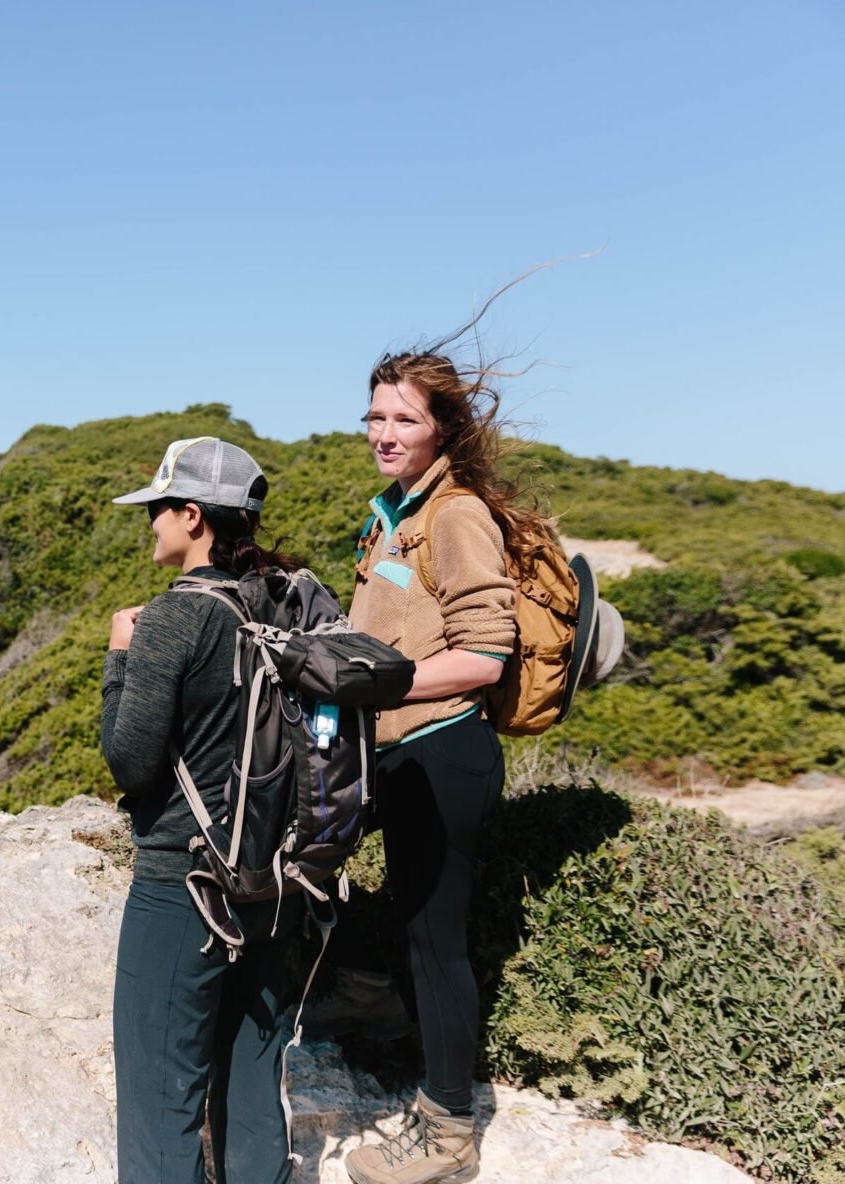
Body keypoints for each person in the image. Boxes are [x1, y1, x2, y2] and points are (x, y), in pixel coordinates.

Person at [342, 344, 546, 1184]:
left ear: (442, 428)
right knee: (315, 871)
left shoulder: (455, 515)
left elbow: (485, 656)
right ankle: (369, 1001)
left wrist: (372, 683)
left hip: (442, 752)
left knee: (437, 943)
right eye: (376, 416)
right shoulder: (395, 511)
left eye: (405, 419)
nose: (385, 433)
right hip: (391, 751)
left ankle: (449, 1130)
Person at [100, 436, 302, 1184]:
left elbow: (130, 761)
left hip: (182, 883)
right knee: (251, 1081)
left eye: (156, 509)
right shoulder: (276, 604)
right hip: (273, 880)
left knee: (160, 1098)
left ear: (192, 515)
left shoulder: (174, 617)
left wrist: (120, 657)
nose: (149, 524)